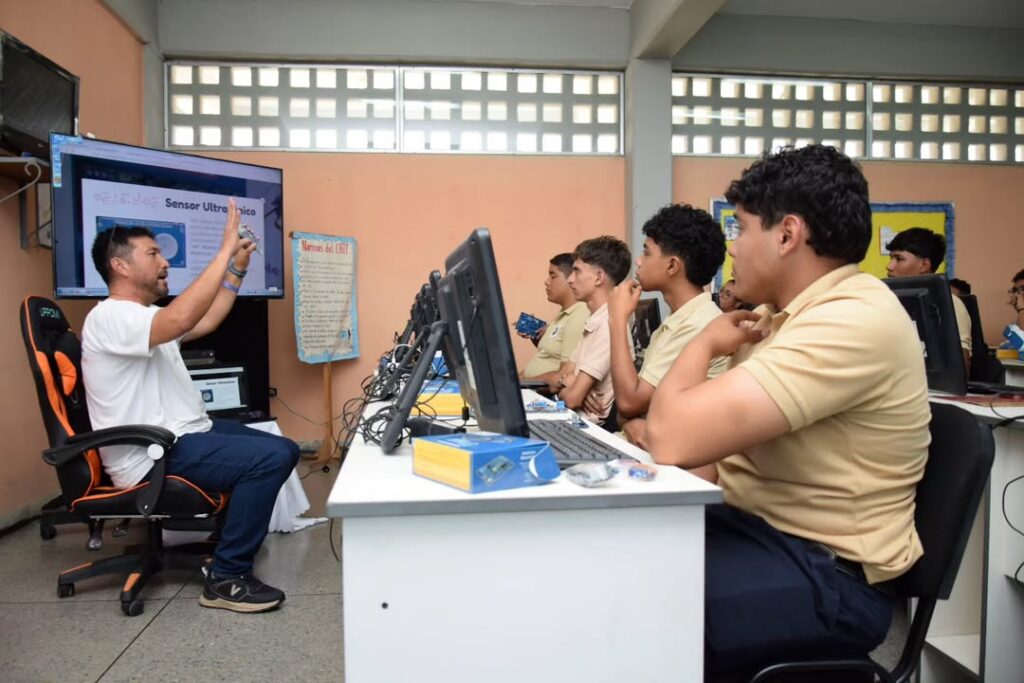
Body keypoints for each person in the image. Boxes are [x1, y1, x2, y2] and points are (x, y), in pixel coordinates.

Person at [645, 145, 930, 679]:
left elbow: (670, 438)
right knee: (612, 555)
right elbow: (701, 457)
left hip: (828, 578)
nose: (733, 248)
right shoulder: (778, 319)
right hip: (757, 535)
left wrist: (704, 342)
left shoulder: (851, 318)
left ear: (787, 234)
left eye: (740, 228)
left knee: (638, 601)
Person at [81, 199, 300, 614]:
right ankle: (227, 578)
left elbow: (206, 319)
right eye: (153, 253)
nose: (165, 261)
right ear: (120, 266)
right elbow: (181, 320)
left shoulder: (143, 318)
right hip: (151, 453)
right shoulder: (110, 317)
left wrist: (236, 269)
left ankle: (227, 548)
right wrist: (223, 250)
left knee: (282, 447)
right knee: (270, 458)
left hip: (182, 436)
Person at [603, 203, 728, 448]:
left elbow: (628, 403)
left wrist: (617, 319)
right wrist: (630, 419)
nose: (638, 261)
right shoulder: (679, 319)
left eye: (647, 253)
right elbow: (626, 414)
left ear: (672, 265)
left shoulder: (699, 324)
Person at [551, 236, 631, 425]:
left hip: (586, 428)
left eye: (577, 271)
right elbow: (559, 378)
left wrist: (573, 387)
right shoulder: (595, 320)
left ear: (599, 277)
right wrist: (571, 382)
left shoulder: (608, 325)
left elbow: (572, 399)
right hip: (572, 419)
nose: (570, 280)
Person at [886, 227, 971, 371]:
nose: (889, 266)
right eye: (891, 258)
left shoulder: (950, 304)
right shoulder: (887, 302)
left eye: (899, 259)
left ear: (924, 265)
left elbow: (959, 371)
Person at [519, 253, 588, 386]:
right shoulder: (564, 313)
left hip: (543, 392)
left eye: (553, 276)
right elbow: (550, 355)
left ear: (571, 279)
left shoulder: (579, 315)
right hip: (530, 387)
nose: (546, 282)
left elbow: (564, 377)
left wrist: (520, 383)